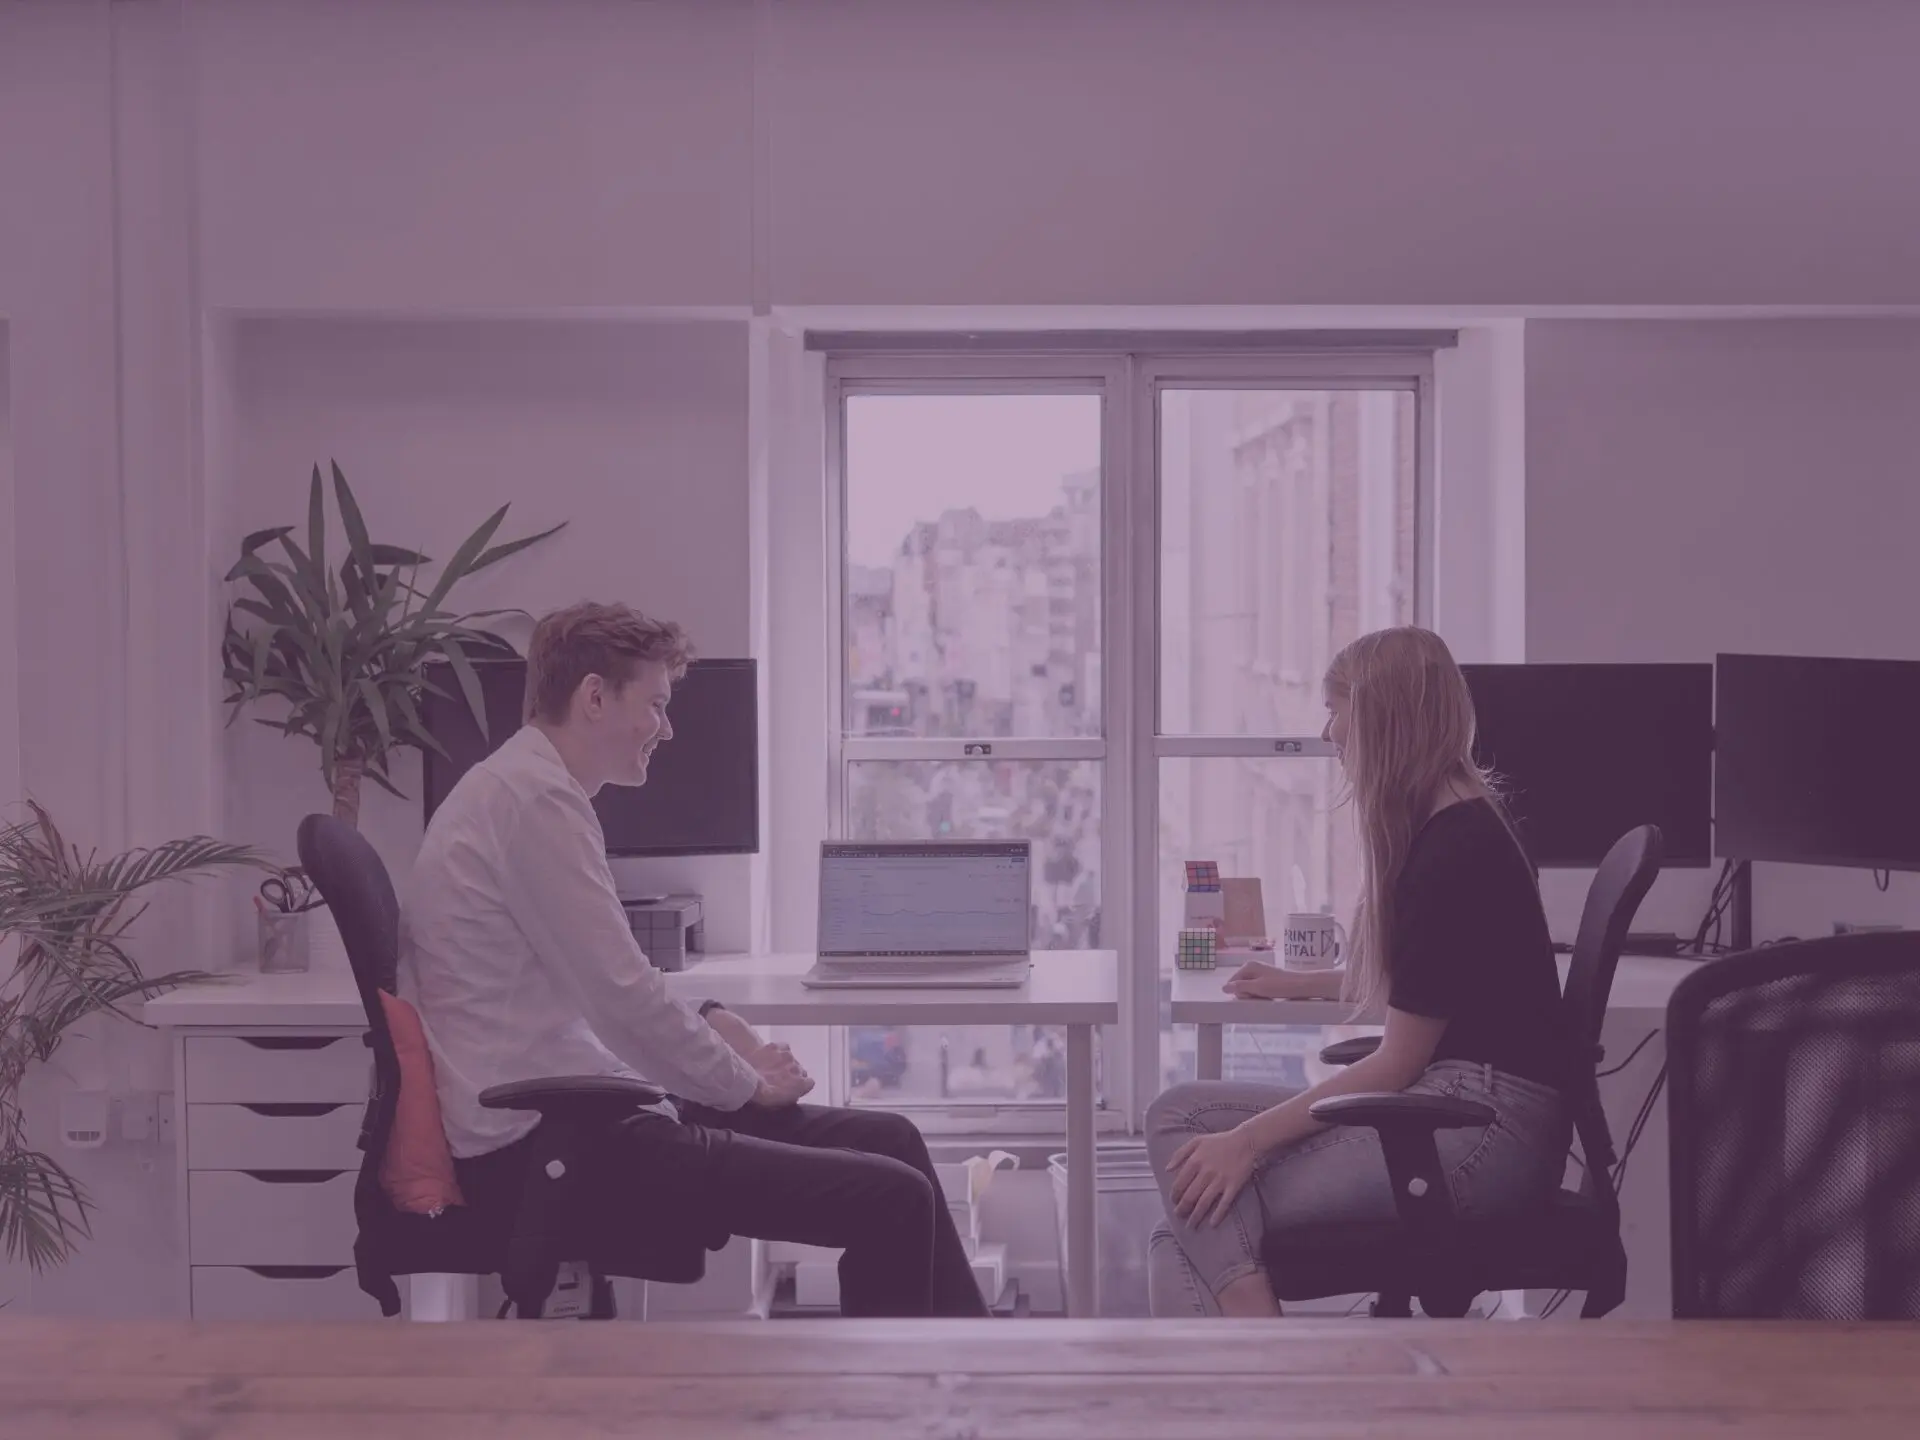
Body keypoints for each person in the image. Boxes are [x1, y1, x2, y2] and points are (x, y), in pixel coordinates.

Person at [400, 601, 987, 1318]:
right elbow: (620, 999)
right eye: (654, 704)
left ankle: (979, 1395)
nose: (667, 728)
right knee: (891, 1199)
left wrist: (713, 1024)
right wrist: (743, 1085)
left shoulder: (525, 789)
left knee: (894, 1142)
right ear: (593, 697)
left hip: (579, 1106)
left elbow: (608, 980)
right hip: (547, 1140)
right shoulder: (532, 803)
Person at [1144, 626, 1573, 1317]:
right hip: (1464, 1105)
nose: (1329, 733)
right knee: (1177, 1116)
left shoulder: (1453, 854)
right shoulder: (1461, 823)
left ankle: (1258, 1364)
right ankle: (1257, 1334)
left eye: (1337, 709)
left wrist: (1246, 1145)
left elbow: (1395, 1064)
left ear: (1381, 719)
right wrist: (1307, 982)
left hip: (1478, 1132)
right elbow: (1431, 986)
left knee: (1191, 1219)